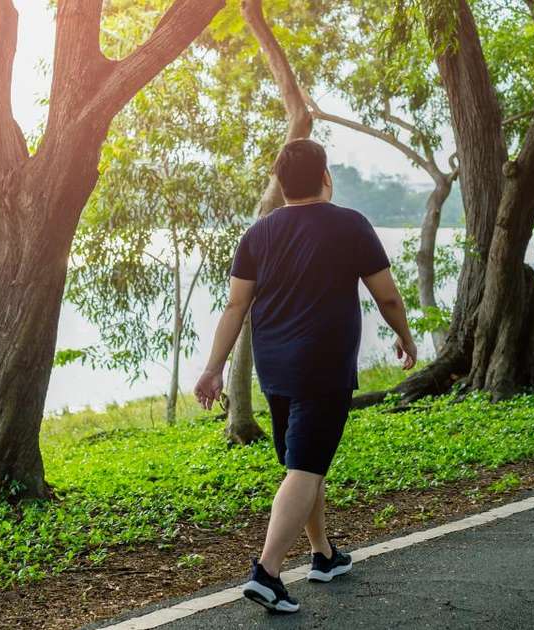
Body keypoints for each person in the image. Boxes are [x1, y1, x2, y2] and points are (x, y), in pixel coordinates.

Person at [193, 138, 417, 614]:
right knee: (305, 467)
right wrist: (405, 336)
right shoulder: (351, 225)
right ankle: (267, 573)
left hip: (275, 368)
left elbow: (236, 305)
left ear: (279, 182)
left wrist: (213, 368)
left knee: (303, 462)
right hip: (324, 366)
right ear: (326, 177)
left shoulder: (258, 234)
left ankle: (324, 555)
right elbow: (388, 297)